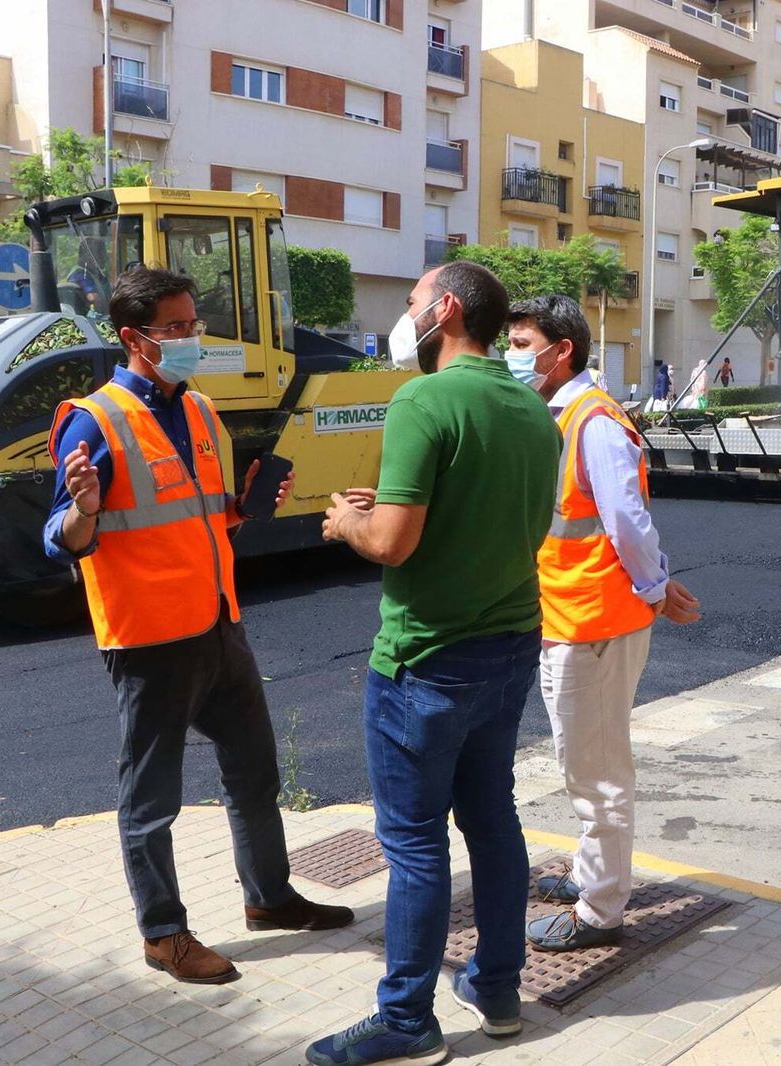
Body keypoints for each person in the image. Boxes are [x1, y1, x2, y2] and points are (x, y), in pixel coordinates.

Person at [44, 266, 353, 988]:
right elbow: (61, 539)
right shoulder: (94, 420)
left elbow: (205, 520)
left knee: (255, 773)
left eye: (193, 324)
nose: (191, 338)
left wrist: (247, 505)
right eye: (176, 329)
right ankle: (164, 933)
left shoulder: (202, 412)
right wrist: (84, 508)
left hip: (219, 625)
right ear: (134, 337)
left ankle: (269, 898)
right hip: (149, 640)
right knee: (151, 800)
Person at [312, 261, 560, 1066]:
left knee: (415, 844)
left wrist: (345, 523)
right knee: (492, 821)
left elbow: (391, 541)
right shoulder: (532, 405)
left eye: (412, 302)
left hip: (426, 659)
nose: (404, 314)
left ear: (446, 310)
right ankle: (496, 987)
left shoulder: (424, 398)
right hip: (512, 644)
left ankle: (408, 1020)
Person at [500, 296, 700, 952]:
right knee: (584, 761)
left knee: (599, 768)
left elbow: (626, 521)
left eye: (523, 342)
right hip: (572, 616)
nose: (513, 354)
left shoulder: (594, 423)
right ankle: (594, 875)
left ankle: (600, 910)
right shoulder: (557, 415)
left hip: (596, 622)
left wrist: (656, 587)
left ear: (563, 350)